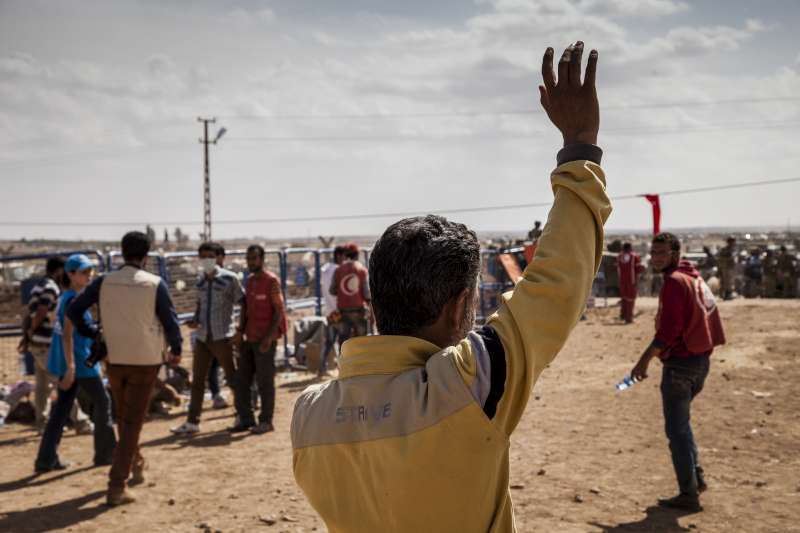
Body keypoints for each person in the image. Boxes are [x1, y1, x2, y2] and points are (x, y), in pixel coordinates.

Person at [291, 42, 611, 532]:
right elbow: (556, 282)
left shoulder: (309, 414)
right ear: (460, 304)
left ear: (374, 303)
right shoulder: (466, 385)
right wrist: (580, 143)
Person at [68, 231, 183, 506]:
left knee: (125, 419)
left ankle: (137, 462)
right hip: (145, 361)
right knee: (131, 423)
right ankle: (116, 485)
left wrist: (92, 331)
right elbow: (170, 321)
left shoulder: (104, 282)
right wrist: (176, 349)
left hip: (115, 360)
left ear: (122, 252)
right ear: (146, 256)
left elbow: (74, 310)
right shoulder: (155, 284)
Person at [630, 232, 726, 512]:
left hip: (680, 368)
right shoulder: (694, 278)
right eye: (653, 253)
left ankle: (689, 494)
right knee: (683, 425)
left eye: (662, 253)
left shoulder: (674, 282)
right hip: (699, 363)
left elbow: (668, 332)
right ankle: (696, 479)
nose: (656, 258)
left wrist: (643, 361)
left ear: (675, 254)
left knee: (677, 430)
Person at [34, 254, 116, 472]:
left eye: (90, 271)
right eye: (83, 272)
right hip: (79, 363)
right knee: (103, 402)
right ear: (70, 274)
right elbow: (67, 335)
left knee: (61, 410)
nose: (89, 275)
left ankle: (45, 459)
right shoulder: (72, 300)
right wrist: (71, 368)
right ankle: (105, 455)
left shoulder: (70, 297)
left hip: (73, 362)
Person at [171, 242, 244, 435]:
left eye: (210, 256)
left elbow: (244, 303)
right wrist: (195, 321)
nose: (206, 260)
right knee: (198, 381)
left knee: (232, 378)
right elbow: (200, 306)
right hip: (203, 337)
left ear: (217, 257)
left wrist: (240, 330)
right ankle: (192, 421)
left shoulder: (230, 279)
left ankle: (242, 414)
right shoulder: (200, 280)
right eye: (203, 257)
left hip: (223, 336)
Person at [24, 257, 90, 434]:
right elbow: (41, 311)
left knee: (42, 386)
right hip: (45, 342)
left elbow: (29, 312)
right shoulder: (51, 288)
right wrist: (32, 330)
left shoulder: (38, 285)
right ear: (59, 270)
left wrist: (29, 334)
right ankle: (81, 421)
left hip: (38, 343)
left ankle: (42, 423)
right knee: (62, 381)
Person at [230, 244, 286, 435]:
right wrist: (239, 331)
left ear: (262, 259)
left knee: (264, 382)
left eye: (254, 258)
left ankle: (266, 421)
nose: (251, 262)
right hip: (249, 338)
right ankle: (246, 419)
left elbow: (279, 310)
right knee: (242, 380)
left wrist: (268, 338)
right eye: (248, 258)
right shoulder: (250, 281)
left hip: (264, 341)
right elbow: (246, 309)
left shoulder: (271, 282)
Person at [329, 243, 371, 343]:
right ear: (357, 255)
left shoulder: (338, 270)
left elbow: (332, 290)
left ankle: (344, 359)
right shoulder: (362, 270)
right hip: (359, 310)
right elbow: (367, 294)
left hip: (343, 311)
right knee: (362, 341)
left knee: (344, 342)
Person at [318, 245, 346, 377]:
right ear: (339, 256)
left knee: (329, 341)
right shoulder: (339, 271)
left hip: (329, 311)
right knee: (343, 342)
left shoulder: (324, 269)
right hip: (339, 311)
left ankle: (322, 368)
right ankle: (343, 370)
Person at [616, 242, 645, 323]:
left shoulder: (619, 257)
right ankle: (629, 318)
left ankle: (623, 315)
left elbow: (617, 268)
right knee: (630, 299)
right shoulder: (634, 256)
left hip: (622, 281)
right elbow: (638, 269)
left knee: (624, 298)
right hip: (631, 281)